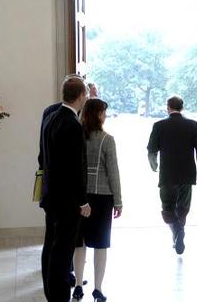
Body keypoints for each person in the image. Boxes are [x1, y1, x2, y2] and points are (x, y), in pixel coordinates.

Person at [41, 76, 91, 301]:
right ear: (80, 96)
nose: (86, 98)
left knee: (51, 246)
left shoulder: (51, 117)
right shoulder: (72, 124)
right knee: (62, 253)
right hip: (67, 201)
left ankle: (51, 293)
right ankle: (59, 297)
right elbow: (75, 168)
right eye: (86, 95)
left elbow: (44, 157)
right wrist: (83, 201)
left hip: (51, 195)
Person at [72, 99, 122, 302]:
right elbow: (113, 173)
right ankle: (98, 289)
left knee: (79, 243)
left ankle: (77, 286)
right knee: (101, 244)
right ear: (98, 114)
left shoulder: (77, 137)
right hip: (102, 197)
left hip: (80, 196)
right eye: (104, 112)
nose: (105, 115)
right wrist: (118, 201)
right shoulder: (107, 139)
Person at [147, 95, 197, 255]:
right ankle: (179, 233)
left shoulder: (159, 125)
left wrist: (154, 165)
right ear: (182, 107)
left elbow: (151, 149)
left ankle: (178, 233)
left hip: (168, 174)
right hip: (187, 174)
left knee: (167, 207)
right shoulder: (192, 125)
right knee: (182, 207)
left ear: (168, 107)